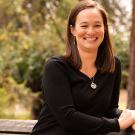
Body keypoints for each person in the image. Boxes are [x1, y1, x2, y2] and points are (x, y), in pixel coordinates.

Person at [31, 0, 135, 135]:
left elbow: (110, 110)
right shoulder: (56, 67)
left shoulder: (113, 65)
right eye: (84, 26)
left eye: (97, 25)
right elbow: (67, 117)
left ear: (105, 28)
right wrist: (117, 124)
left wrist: (131, 117)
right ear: (73, 30)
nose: (91, 31)